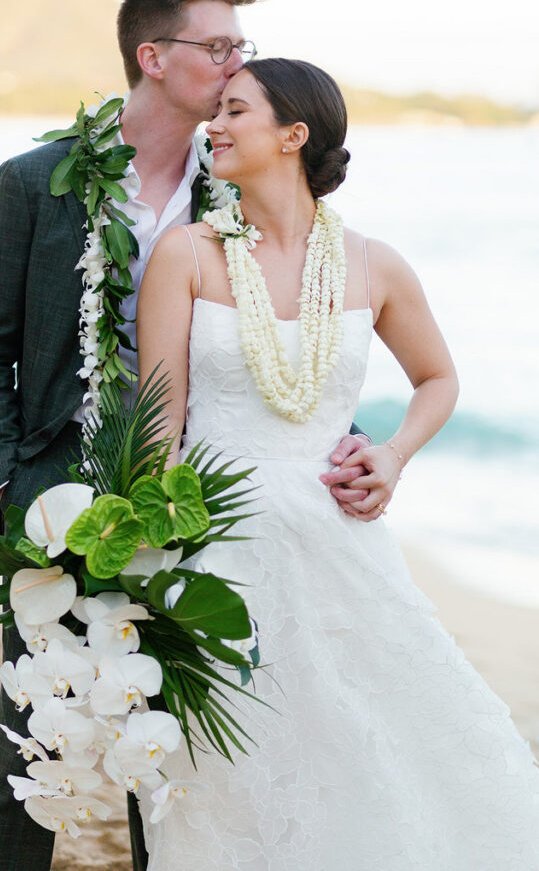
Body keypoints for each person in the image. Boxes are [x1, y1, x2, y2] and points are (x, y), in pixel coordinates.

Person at [0, 0, 371, 871]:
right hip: (56, 494)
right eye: (217, 47)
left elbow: (294, 325)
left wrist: (339, 435)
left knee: (175, 745)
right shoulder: (35, 182)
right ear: (152, 57)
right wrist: (11, 480)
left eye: (240, 48)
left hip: (200, 501)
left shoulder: (237, 187)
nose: (234, 66)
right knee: (37, 731)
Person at [135, 58, 539, 869]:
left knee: (371, 745)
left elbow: (437, 379)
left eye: (235, 110)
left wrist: (390, 455)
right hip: (217, 544)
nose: (214, 125)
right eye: (217, 110)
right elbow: (158, 424)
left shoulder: (372, 263)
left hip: (337, 538)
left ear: (293, 135)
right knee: (233, 767)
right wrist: (144, 553)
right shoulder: (188, 254)